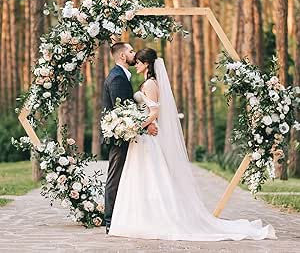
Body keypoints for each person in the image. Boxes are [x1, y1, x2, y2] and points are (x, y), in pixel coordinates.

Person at [108, 47, 277, 241]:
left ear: (146, 64)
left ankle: (152, 218)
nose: (135, 64)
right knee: (142, 179)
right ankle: (140, 217)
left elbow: (155, 112)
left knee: (151, 179)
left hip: (148, 137)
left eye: (138, 61)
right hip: (144, 137)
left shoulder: (150, 84)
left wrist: (137, 126)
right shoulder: (148, 82)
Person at [102, 42, 157, 234]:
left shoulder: (123, 76)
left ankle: (123, 217)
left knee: (126, 177)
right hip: (121, 137)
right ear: (123, 56)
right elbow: (123, 113)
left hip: (129, 135)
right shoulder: (117, 78)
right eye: (131, 51)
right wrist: (147, 122)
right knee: (116, 178)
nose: (135, 54)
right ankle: (110, 220)